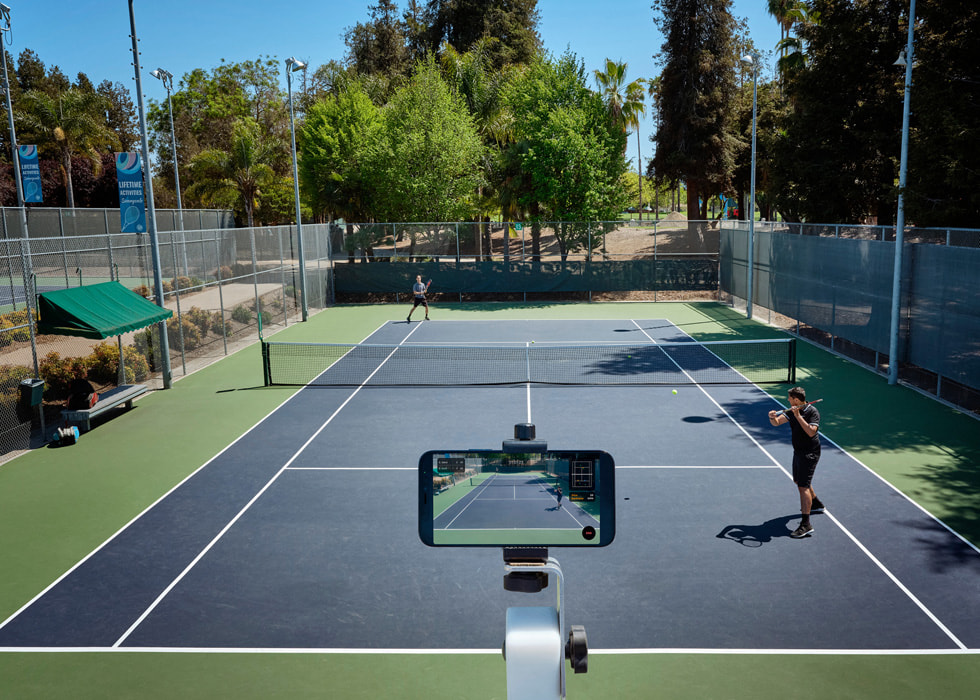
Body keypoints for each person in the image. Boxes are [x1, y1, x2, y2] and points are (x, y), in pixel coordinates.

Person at [768, 386, 824, 538]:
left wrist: (798, 416)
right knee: (798, 480)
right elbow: (777, 423)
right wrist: (772, 417)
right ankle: (816, 503)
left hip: (810, 453)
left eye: (790, 398)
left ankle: (806, 524)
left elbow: (812, 432)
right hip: (798, 451)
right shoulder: (791, 410)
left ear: (797, 400)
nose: (788, 400)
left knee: (802, 486)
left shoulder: (812, 412)